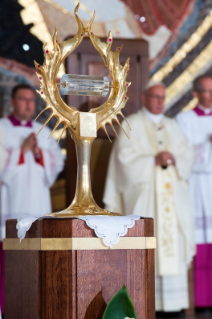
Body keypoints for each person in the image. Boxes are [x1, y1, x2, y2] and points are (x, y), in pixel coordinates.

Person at [103, 82, 195, 312]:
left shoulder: (172, 127)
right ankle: (146, 304)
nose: (159, 102)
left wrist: (173, 159)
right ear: (144, 98)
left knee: (173, 243)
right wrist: (152, 160)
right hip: (146, 202)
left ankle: (174, 306)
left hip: (172, 202)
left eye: (163, 97)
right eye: (155, 96)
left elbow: (187, 156)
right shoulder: (131, 125)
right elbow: (123, 162)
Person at [0, 84, 64, 315]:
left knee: (36, 263)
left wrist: (38, 154)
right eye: (23, 99)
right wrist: (20, 151)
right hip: (9, 204)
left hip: (38, 204)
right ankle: (7, 311)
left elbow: (57, 164)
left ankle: (34, 309)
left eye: (31, 100)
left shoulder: (43, 130)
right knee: (8, 264)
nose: (28, 104)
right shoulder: (2, 129)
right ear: (12, 101)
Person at [176, 74, 212, 308]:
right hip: (196, 186)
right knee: (200, 239)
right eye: (207, 91)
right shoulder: (184, 119)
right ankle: (201, 300)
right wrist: (208, 144)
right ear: (196, 93)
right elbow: (183, 155)